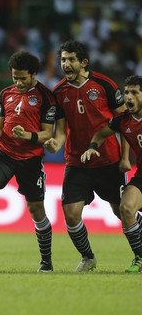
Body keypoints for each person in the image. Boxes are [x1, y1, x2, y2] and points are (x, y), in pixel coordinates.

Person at [0, 51, 56, 272]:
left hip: (30, 160)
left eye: (23, 78)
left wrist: (28, 136)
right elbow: (0, 130)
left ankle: (46, 261)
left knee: (36, 211)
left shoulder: (46, 97)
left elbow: (47, 134)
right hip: (4, 153)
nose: (18, 82)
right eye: (15, 77)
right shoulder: (5, 93)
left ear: (33, 74)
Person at [45, 40, 130, 272]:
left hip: (109, 160)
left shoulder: (105, 85)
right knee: (71, 215)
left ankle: (139, 254)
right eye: (63, 59)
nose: (66, 64)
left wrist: (125, 157)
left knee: (122, 212)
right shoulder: (59, 91)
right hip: (76, 161)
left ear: (83, 62)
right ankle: (88, 258)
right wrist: (55, 144)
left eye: (71, 59)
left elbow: (124, 122)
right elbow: (61, 131)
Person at [81, 75, 142, 272]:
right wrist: (92, 147)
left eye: (134, 92)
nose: (129, 97)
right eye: (126, 92)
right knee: (125, 208)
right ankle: (140, 258)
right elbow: (99, 134)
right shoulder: (123, 120)